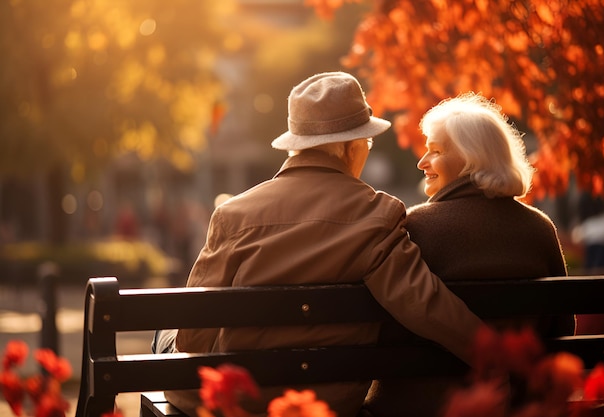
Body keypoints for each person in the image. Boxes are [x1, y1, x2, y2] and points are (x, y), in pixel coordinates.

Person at [154, 72, 483, 417]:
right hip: (327, 404)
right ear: (351, 147)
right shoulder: (378, 214)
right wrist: (494, 355)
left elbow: (191, 337)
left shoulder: (232, 214)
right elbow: (425, 305)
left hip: (237, 402)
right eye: (367, 144)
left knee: (167, 330)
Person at [363, 92, 572, 417]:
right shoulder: (539, 229)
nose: (422, 162)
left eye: (435, 151)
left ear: (472, 158)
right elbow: (562, 329)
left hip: (417, 408)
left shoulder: (413, 228)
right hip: (513, 405)